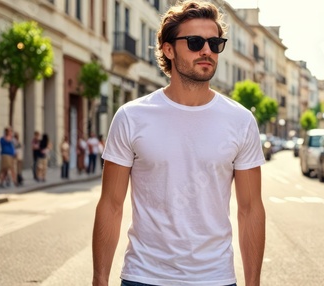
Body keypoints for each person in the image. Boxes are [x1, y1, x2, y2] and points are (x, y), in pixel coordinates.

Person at [92, 2, 266, 286]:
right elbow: (111, 205)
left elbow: (250, 209)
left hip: (215, 278)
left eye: (214, 43)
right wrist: (99, 280)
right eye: (196, 42)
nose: (207, 50)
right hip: (144, 276)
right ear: (168, 49)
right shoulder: (131, 116)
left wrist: (254, 283)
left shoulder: (241, 120)